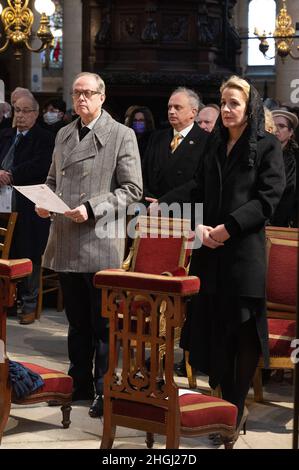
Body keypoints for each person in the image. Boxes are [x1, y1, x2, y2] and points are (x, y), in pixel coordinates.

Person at [180, 76, 285, 440]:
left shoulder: (267, 146)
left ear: (249, 107)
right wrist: (195, 225)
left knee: (241, 333)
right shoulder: (213, 144)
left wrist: (228, 227)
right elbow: (196, 188)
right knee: (214, 333)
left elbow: (268, 199)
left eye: (233, 103)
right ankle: (221, 406)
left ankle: (236, 411)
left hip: (243, 254)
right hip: (209, 252)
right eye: (222, 102)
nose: (226, 109)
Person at [36, 72, 143, 418]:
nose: (81, 99)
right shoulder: (64, 132)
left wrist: (91, 208)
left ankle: (104, 389)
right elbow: (52, 179)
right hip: (66, 238)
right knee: (76, 321)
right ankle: (77, 382)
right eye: (76, 93)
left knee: (103, 325)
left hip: (98, 239)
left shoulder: (121, 135)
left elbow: (132, 191)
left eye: (88, 93)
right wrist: (44, 200)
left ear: (102, 97)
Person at [0, 95, 55, 324]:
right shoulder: (5, 135)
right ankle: (8, 302)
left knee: (29, 251)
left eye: (25, 111)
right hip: (3, 201)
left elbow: (42, 165)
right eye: (17, 111)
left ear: (35, 113)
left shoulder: (45, 138)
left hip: (29, 202)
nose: (20, 116)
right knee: (7, 251)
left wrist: (10, 175)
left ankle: (29, 303)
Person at [142, 87, 208, 212]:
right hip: (150, 210)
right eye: (169, 107)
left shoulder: (207, 141)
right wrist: (149, 201)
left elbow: (200, 181)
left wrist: (163, 202)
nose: (171, 111)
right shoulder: (156, 137)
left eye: (178, 107)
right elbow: (143, 173)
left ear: (193, 112)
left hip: (185, 213)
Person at [271, 108, 298, 227]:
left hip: (289, 219)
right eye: (273, 126)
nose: (276, 130)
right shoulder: (259, 153)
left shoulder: (296, 157)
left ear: (291, 132)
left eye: (281, 126)